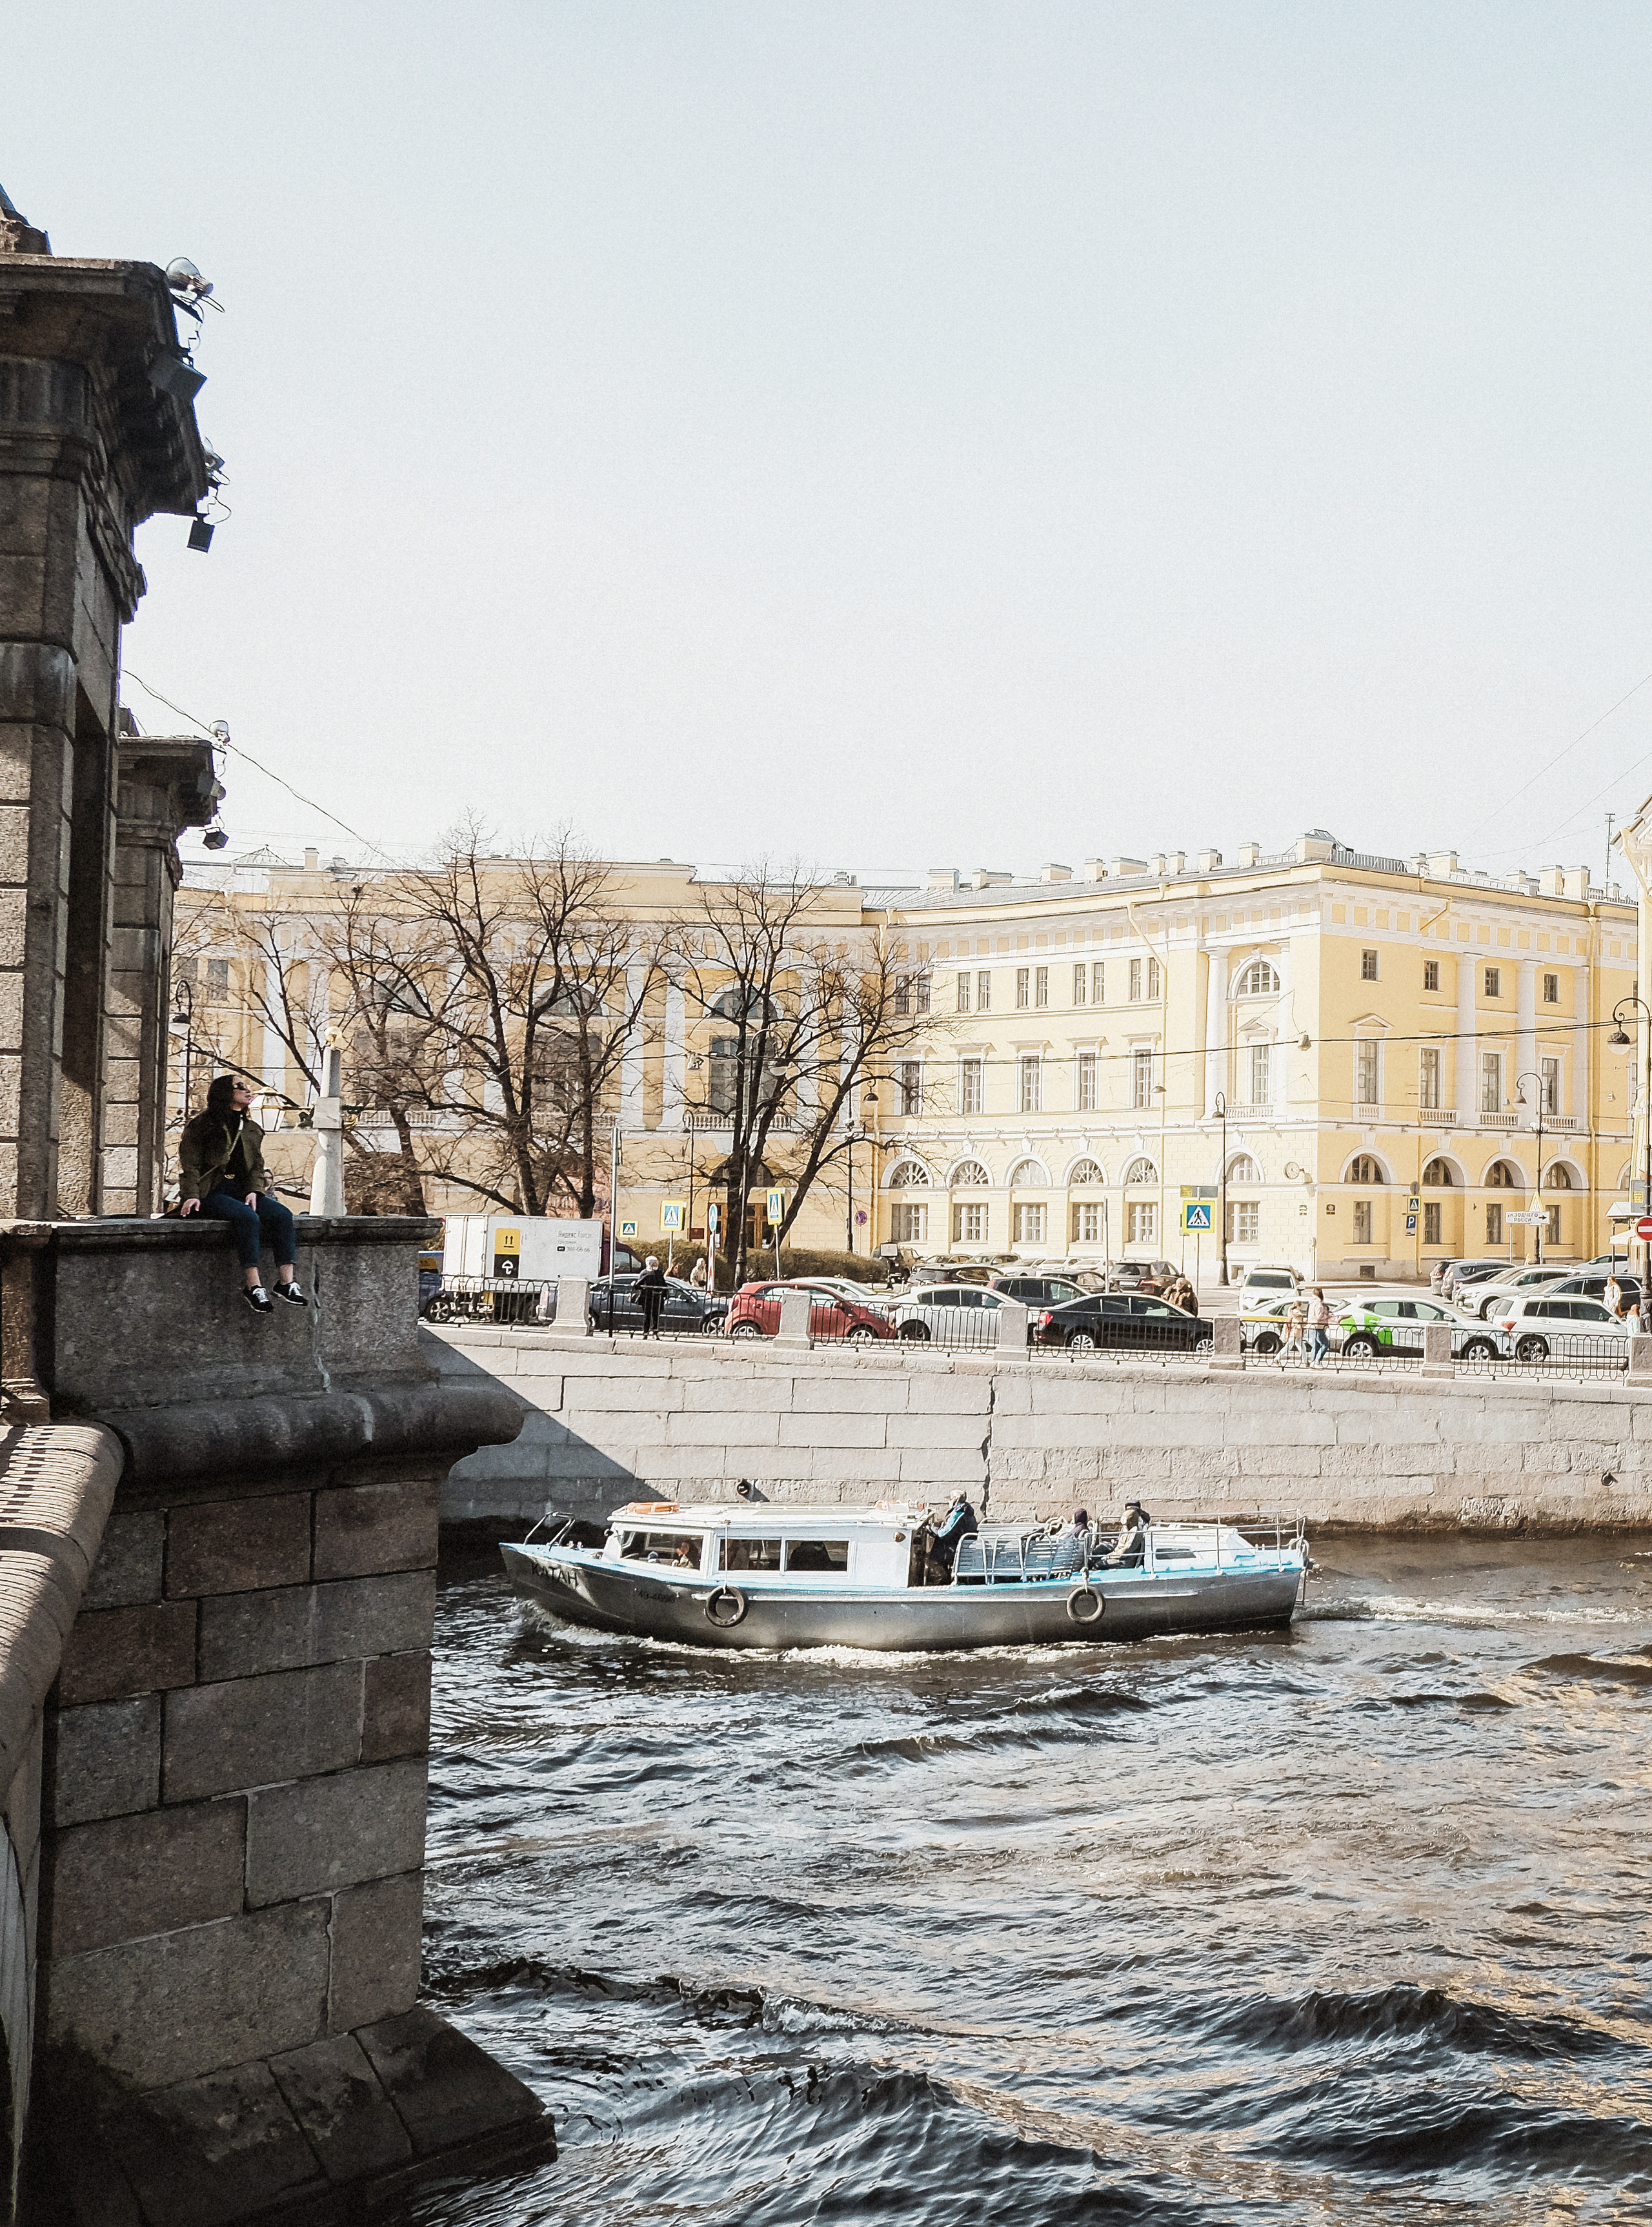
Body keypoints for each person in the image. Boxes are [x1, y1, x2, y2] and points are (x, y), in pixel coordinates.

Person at [178, 1075, 305, 1316]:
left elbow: (256, 1166)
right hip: (211, 1191)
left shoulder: (251, 1129)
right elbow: (191, 1165)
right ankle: (254, 1286)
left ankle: (286, 1284)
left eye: (247, 1087)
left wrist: (255, 1192)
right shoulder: (202, 1125)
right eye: (241, 1087)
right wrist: (191, 1196)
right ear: (226, 1093)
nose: (248, 1091)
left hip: (240, 1190)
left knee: (281, 1215)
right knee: (247, 1219)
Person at [930, 1492, 979, 1572]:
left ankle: (940, 1577)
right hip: (963, 1542)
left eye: (950, 1499)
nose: (948, 1502)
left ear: (955, 1500)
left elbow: (943, 1534)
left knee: (934, 1552)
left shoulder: (958, 1513)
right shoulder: (965, 1509)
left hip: (958, 1546)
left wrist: (932, 1527)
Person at [1100, 1499, 1151, 1566]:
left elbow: (1129, 1547)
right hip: (1119, 1548)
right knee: (1100, 1548)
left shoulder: (1138, 1525)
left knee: (1100, 1559)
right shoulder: (1129, 1522)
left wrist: (1111, 1556)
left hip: (1126, 1555)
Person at [636, 1255, 668, 1339]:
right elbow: (638, 1285)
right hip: (647, 1298)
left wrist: (665, 1294)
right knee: (647, 1316)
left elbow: (663, 1284)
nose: (655, 1265)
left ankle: (655, 1332)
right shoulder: (645, 1273)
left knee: (656, 1316)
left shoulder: (659, 1273)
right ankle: (645, 1333)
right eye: (653, 1263)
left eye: (656, 1263)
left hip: (657, 1298)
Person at [1307, 1286, 1332, 1366]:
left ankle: (1312, 1361)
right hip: (1318, 1326)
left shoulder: (1312, 1303)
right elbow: (1319, 1316)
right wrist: (1327, 1316)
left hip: (1311, 1326)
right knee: (1325, 1344)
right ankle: (1317, 1361)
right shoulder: (1319, 1304)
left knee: (1316, 1345)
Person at [1282, 1297, 1307, 1363]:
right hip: (1295, 1332)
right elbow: (1298, 1318)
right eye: (1301, 1305)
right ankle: (1277, 1358)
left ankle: (1306, 1362)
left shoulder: (1295, 1311)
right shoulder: (1296, 1311)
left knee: (1302, 1348)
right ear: (1298, 1306)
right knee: (1288, 1346)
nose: (1302, 1307)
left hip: (1297, 1332)